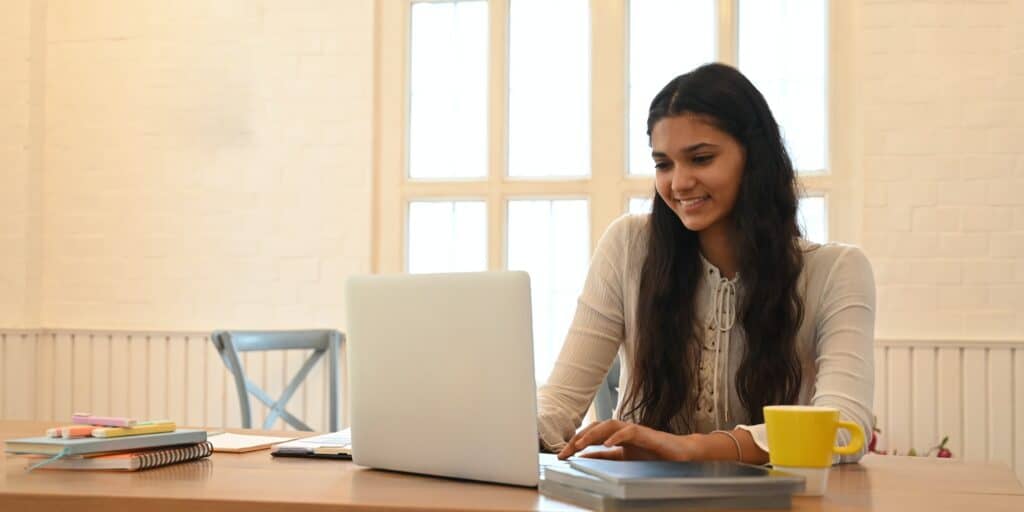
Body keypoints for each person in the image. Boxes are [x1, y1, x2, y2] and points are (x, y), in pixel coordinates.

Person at [538, 63, 874, 465]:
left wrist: (690, 448)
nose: (678, 183)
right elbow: (560, 401)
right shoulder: (628, 246)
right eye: (663, 164)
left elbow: (842, 429)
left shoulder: (838, 271)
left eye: (700, 158)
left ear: (754, 159)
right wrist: (500, 432)